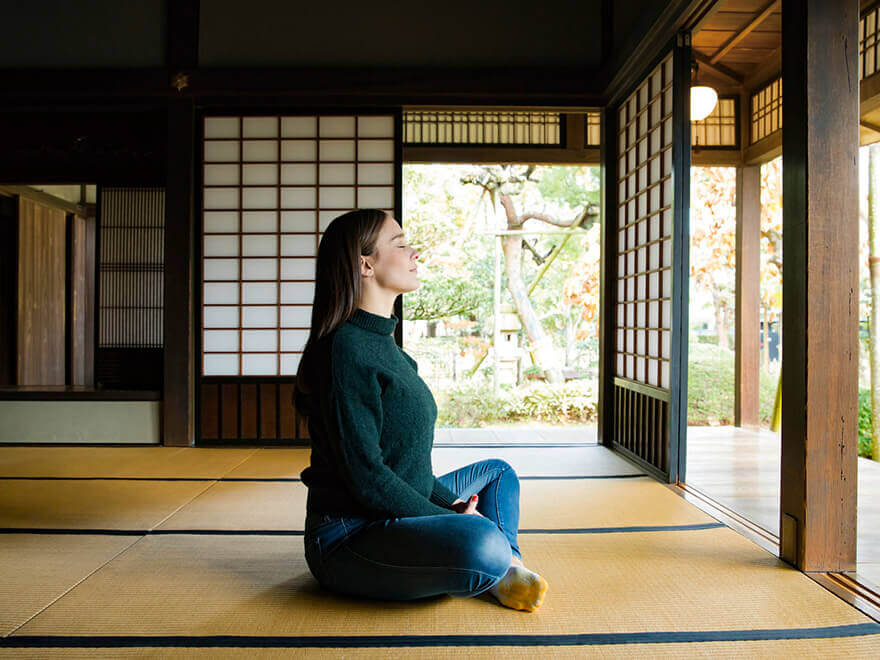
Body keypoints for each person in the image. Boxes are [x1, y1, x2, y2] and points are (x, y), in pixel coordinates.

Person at [294, 208, 548, 612]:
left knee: (498, 474)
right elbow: (367, 478)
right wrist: (454, 519)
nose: (415, 254)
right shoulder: (345, 348)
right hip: (350, 535)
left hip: (398, 508)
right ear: (365, 264)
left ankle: (504, 566)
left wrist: (450, 509)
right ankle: (494, 562)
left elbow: (409, 466)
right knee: (480, 541)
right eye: (400, 244)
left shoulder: (392, 350)